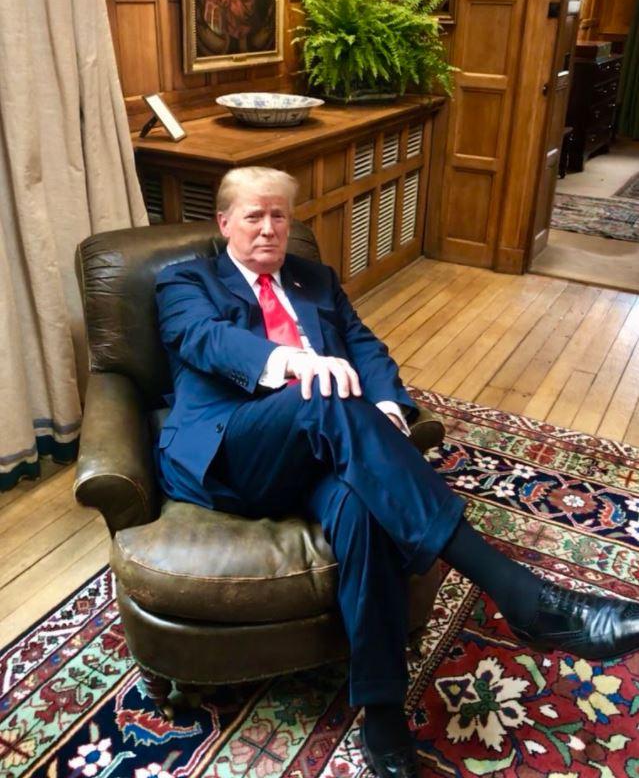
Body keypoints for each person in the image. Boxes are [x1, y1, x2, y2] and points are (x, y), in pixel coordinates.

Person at [155, 166, 639, 778]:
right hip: (233, 452)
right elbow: (205, 340)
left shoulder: (315, 279)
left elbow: (364, 346)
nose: (270, 228)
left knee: (365, 508)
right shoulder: (183, 281)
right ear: (224, 222)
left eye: (280, 215)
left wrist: (385, 406)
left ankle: (382, 714)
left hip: (328, 444)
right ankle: (525, 596)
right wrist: (297, 363)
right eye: (254, 215)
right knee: (322, 392)